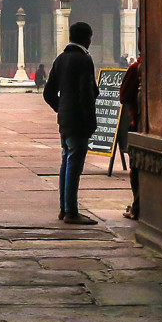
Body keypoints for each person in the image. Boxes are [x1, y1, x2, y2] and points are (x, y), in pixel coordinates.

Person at [43, 21, 99, 225]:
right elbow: (87, 93)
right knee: (74, 164)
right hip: (79, 120)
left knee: (67, 161)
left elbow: (48, 93)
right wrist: (90, 120)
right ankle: (71, 212)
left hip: (65, 119)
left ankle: (64, 208)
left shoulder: (61, 59)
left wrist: (61, 108)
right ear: (87, 38)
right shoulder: (84, 60)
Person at [119, 54, 142, 219]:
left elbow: (124, 96)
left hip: (139, 121)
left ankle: (138, 207)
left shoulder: (136, 68)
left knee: (136, 167)